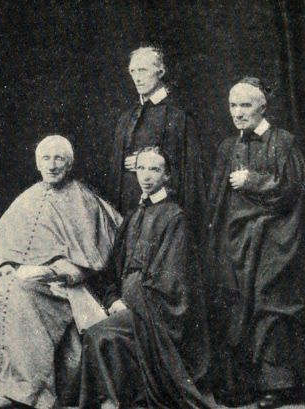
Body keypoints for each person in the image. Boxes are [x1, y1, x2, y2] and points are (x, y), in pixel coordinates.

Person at [0, 135, 122, 409]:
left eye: (59, 159)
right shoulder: (28, 196)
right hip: (20, 276)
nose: (52, 165)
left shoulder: (83, 199)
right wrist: (4, 266)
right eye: (46, 158)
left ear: (69, 164)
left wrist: (54, 271)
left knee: (22, 299)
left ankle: (18, 391)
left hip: (59, 285)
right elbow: (2, 248)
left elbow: (87, 262)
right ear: (38, 164)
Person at [80, 147, 212, 409]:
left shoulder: (174, 217)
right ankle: (116, 400)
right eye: (141, 168)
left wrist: (133, 301)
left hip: (154, 313)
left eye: (154, 169)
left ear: (167, 176)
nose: (146, 176)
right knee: (98, 334)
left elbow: (171, 281)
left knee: (99, 335)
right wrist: (113, 299)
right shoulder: (133, 215)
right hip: (131, 306)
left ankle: (114, 402)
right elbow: (112, 269)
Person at [206, 77, 305, 409]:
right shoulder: (228, 147)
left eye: (245, 105)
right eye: (233, 105)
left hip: (273, 240)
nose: (237, 112)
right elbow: (217, 200)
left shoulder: (283, 142)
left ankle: (276, 385)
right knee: (237, 306)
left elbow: (293, 190)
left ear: (262, 107)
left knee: (270, 306)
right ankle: (243, 384)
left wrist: (253, 181)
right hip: (236, 241)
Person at [106, 46, 206, 244]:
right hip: (127, 213)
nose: (137, 78)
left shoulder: (179, 116)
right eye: (133, 71)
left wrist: (145, 162)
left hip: (163, 219)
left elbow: (190, 178)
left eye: (143, 70)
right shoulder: (126, 118)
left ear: (160, 72)